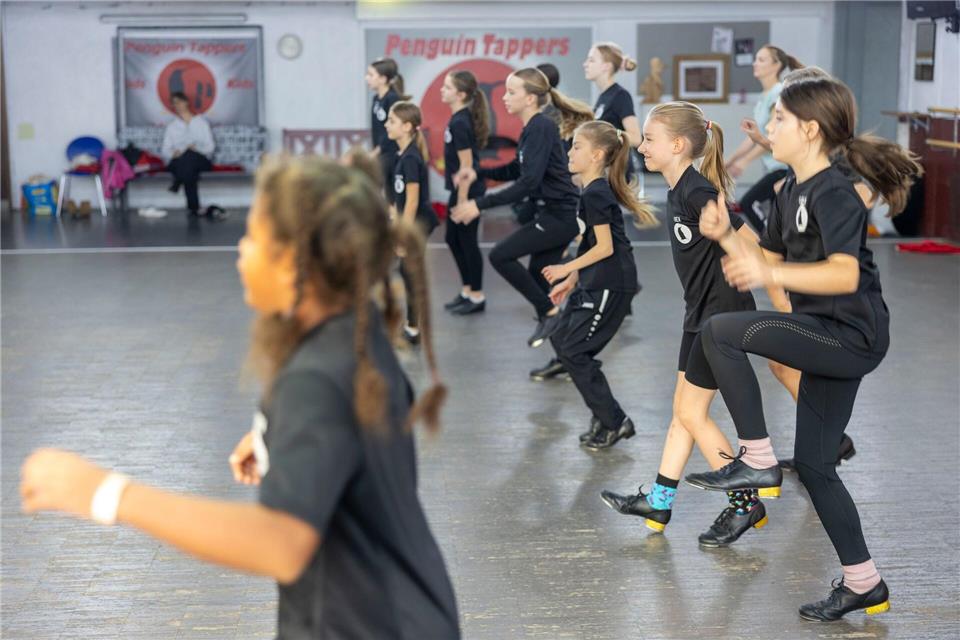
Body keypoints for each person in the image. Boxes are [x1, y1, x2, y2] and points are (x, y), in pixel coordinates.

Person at [19, 155, 461, 639]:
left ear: (297, 262)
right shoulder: (354, 335)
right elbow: (349, 428)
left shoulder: (314, 380)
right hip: (410, 610)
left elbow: (281, 543)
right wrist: (275, 435)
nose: (240, 249)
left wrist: (104, 493)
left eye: (254, 238)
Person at [684, 77, 921, 621]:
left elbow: (843, 274)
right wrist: (723, 234)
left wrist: (768, 269)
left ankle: (758, 459)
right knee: (816, 466)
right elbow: (764, 254)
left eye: (779, 121)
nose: (769, 129)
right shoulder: (789, 189)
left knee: (721, 329)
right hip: (824, 330)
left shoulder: (834, 190)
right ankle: (865, 583)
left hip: (850, 335)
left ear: (809, 129)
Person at [599, 102, 774, 546]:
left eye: (650, 140)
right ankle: (659, 501)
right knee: (683, 412)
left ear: (677, 145)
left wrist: (775, 291)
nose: (642, 146)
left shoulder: (698, 193)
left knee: (691, 413)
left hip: (721, 318)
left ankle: (745, 504)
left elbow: (752, 249)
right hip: (698, 312)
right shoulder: (680, 189)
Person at [450, 68, 593, 349]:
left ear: (530, 99)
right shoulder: (532, 128)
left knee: (501, 256)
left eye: (512, 92)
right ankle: (567, 353)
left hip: (560, 216)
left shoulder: (541, 126)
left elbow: (528, 182)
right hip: (550, 214)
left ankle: (550, 314)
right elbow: (518, 168)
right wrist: (477, 172)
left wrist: (479, 204)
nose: (504, 97)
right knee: (541, 274)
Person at [541, 121, 656, 450]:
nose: (569, 152)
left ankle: (614, 421)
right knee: (563, 340)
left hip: (611, 284)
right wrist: (573, 279)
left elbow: (605, 248)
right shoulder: (590, 190)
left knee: (575, 351)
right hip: (593, 281)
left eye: (577, 146)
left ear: (597, 155)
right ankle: (605, 416)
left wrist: (566, 267)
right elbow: (592, 242)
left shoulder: (596, 193)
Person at [725, 45, 803, 231]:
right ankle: (777, 249)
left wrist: (744, 162)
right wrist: (728, 161)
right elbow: (753, 137)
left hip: (783, 168)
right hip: (772, 168)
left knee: (749, 203)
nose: (755, 63)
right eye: (755, 59)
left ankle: (771, 246)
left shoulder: (778, 93)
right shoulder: (763, 97)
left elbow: (771, 136)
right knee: (779, 217)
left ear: (776, 66)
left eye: (761, 60)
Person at [386, 101, 440, 344]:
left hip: (418, 223)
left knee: (409, 273)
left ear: (407, 127)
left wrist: (402, 235)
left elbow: (412, 201)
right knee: (405, 272)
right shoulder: (403, 155)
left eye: (392, 122)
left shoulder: (410, 159)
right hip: (412, 221)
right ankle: (412, 325)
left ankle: (414, 328)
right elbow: (401, 199)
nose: (387, 125)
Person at [440, 70, 490, 315]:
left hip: (467, 190)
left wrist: (462, 200)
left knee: (467, 242)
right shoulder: (458, 119)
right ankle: (467, 290)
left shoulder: (460, 122)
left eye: (447, 87)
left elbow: (467, 167)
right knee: (452, 239)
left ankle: (477, 296)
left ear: (460, 94)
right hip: (461, 190)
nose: (442, 90)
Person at [162, 91, 225, 220]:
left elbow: (210, 148)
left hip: (199, 160)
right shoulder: (172, 127)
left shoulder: (201, 123)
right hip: (179, 161)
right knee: (187, 163)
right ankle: (194, 208)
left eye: (179, 102)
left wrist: (196, 148)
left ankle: (178, 182)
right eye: (174, 104)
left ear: (186, 102)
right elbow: (165, 150)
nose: (177, 106)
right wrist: (174, 153)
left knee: (190, 156)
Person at [366, 57, 407, 203]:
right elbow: (377, 129)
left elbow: (392, 129)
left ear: (383, 78)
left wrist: (377, 151)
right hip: (381, 153)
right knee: (378, 190)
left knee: (390, 193)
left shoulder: (392, 99)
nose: (367, 78)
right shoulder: (376, 99)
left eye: (371, 75)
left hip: (391, 153)